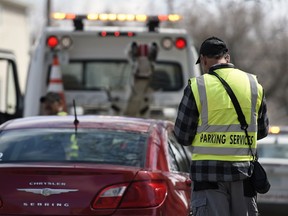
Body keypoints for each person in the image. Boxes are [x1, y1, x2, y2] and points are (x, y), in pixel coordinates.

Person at [174, 36, 269, 216]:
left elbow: (182, 136)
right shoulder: (253, 84)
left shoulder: (197, 86)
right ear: (228, 57)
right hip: (244, 174)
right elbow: (262, 131)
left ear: (203, 60)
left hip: (208, 176)